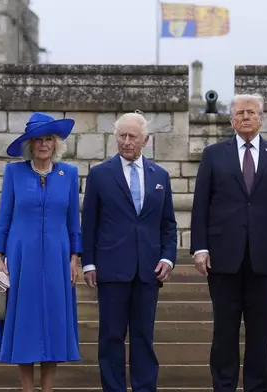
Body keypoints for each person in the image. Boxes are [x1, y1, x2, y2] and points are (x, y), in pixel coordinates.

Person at [190, 93, 267, 392]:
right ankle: (223, 386)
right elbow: (201, 204)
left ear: (261, 118)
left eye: (251, 112)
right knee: (224, 331)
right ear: (231, 119)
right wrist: (200, 247)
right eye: (240, 113)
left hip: (266, 256)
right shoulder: (214, 154)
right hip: (223, 257)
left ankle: (258, 387)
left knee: (260, 332)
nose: (246, 117)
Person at [81, 111, 177, 392]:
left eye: (131, 136)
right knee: (111, 336)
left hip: (149, 270)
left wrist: (167, 257)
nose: (125, 142)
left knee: (143, 336)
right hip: (111, 269)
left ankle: (145, 387)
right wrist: (89, 264)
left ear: (145, 140)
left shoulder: (160, 176)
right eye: (121, 136)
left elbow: (168, 224)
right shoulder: (100, 174)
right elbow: (89, 223)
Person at [0, 112, 82, 392]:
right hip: (21, 256)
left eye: (48, 139)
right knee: (25, 321)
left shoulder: (69, 174)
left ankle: (48, 390)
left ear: (56, 144)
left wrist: (75, 258)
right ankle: (27, 389)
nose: (43, 144)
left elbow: (73, 221)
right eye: (38, 140)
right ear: (30, 144)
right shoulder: (14, 173)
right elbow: (4, 217)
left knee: (53, 320)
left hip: (57, 256)